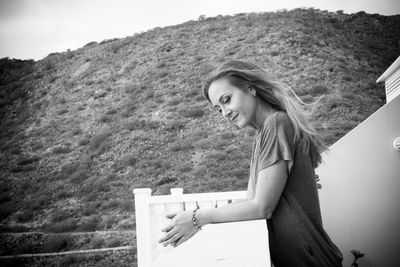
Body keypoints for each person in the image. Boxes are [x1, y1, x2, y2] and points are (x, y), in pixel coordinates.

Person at [159, 60, 343, 267]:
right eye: (218, 109)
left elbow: (261, 207)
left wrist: (197, 218)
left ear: (251, 89)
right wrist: (193, 215)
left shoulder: (276, 123)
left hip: (310, 259)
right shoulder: (263, 133)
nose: (225, 112)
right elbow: (251, 200)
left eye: (226, 100)